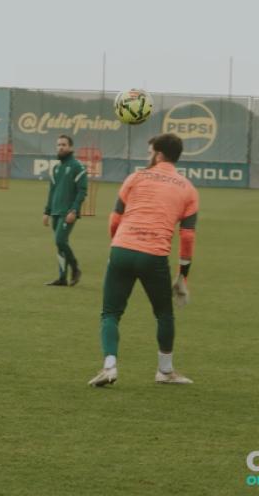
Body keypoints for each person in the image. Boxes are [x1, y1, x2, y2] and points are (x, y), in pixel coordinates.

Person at [88, 133, 198, 387]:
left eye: (150, 152)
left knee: (110, 313)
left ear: (158, 154)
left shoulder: (135, 177)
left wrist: (116, 246)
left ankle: (109, 366)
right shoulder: (188, 188)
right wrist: (183, 275)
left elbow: (115, 219)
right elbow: (187, 236)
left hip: (122, 249)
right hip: (154, 255)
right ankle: (165, 371)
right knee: (164, 314)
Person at [42, 134, 87, 286]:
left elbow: (82, 191)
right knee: (60, 244)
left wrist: (74, 210)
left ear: (71, 147)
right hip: (55, 211)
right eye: (59, 145)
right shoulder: (56, 168)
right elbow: (52, 191)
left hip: (68, 212)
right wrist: (47, 212)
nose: (60, 147)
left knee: (60, 240)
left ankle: (75, 268)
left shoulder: (77, 166)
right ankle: (62, 278)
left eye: (64, 145)